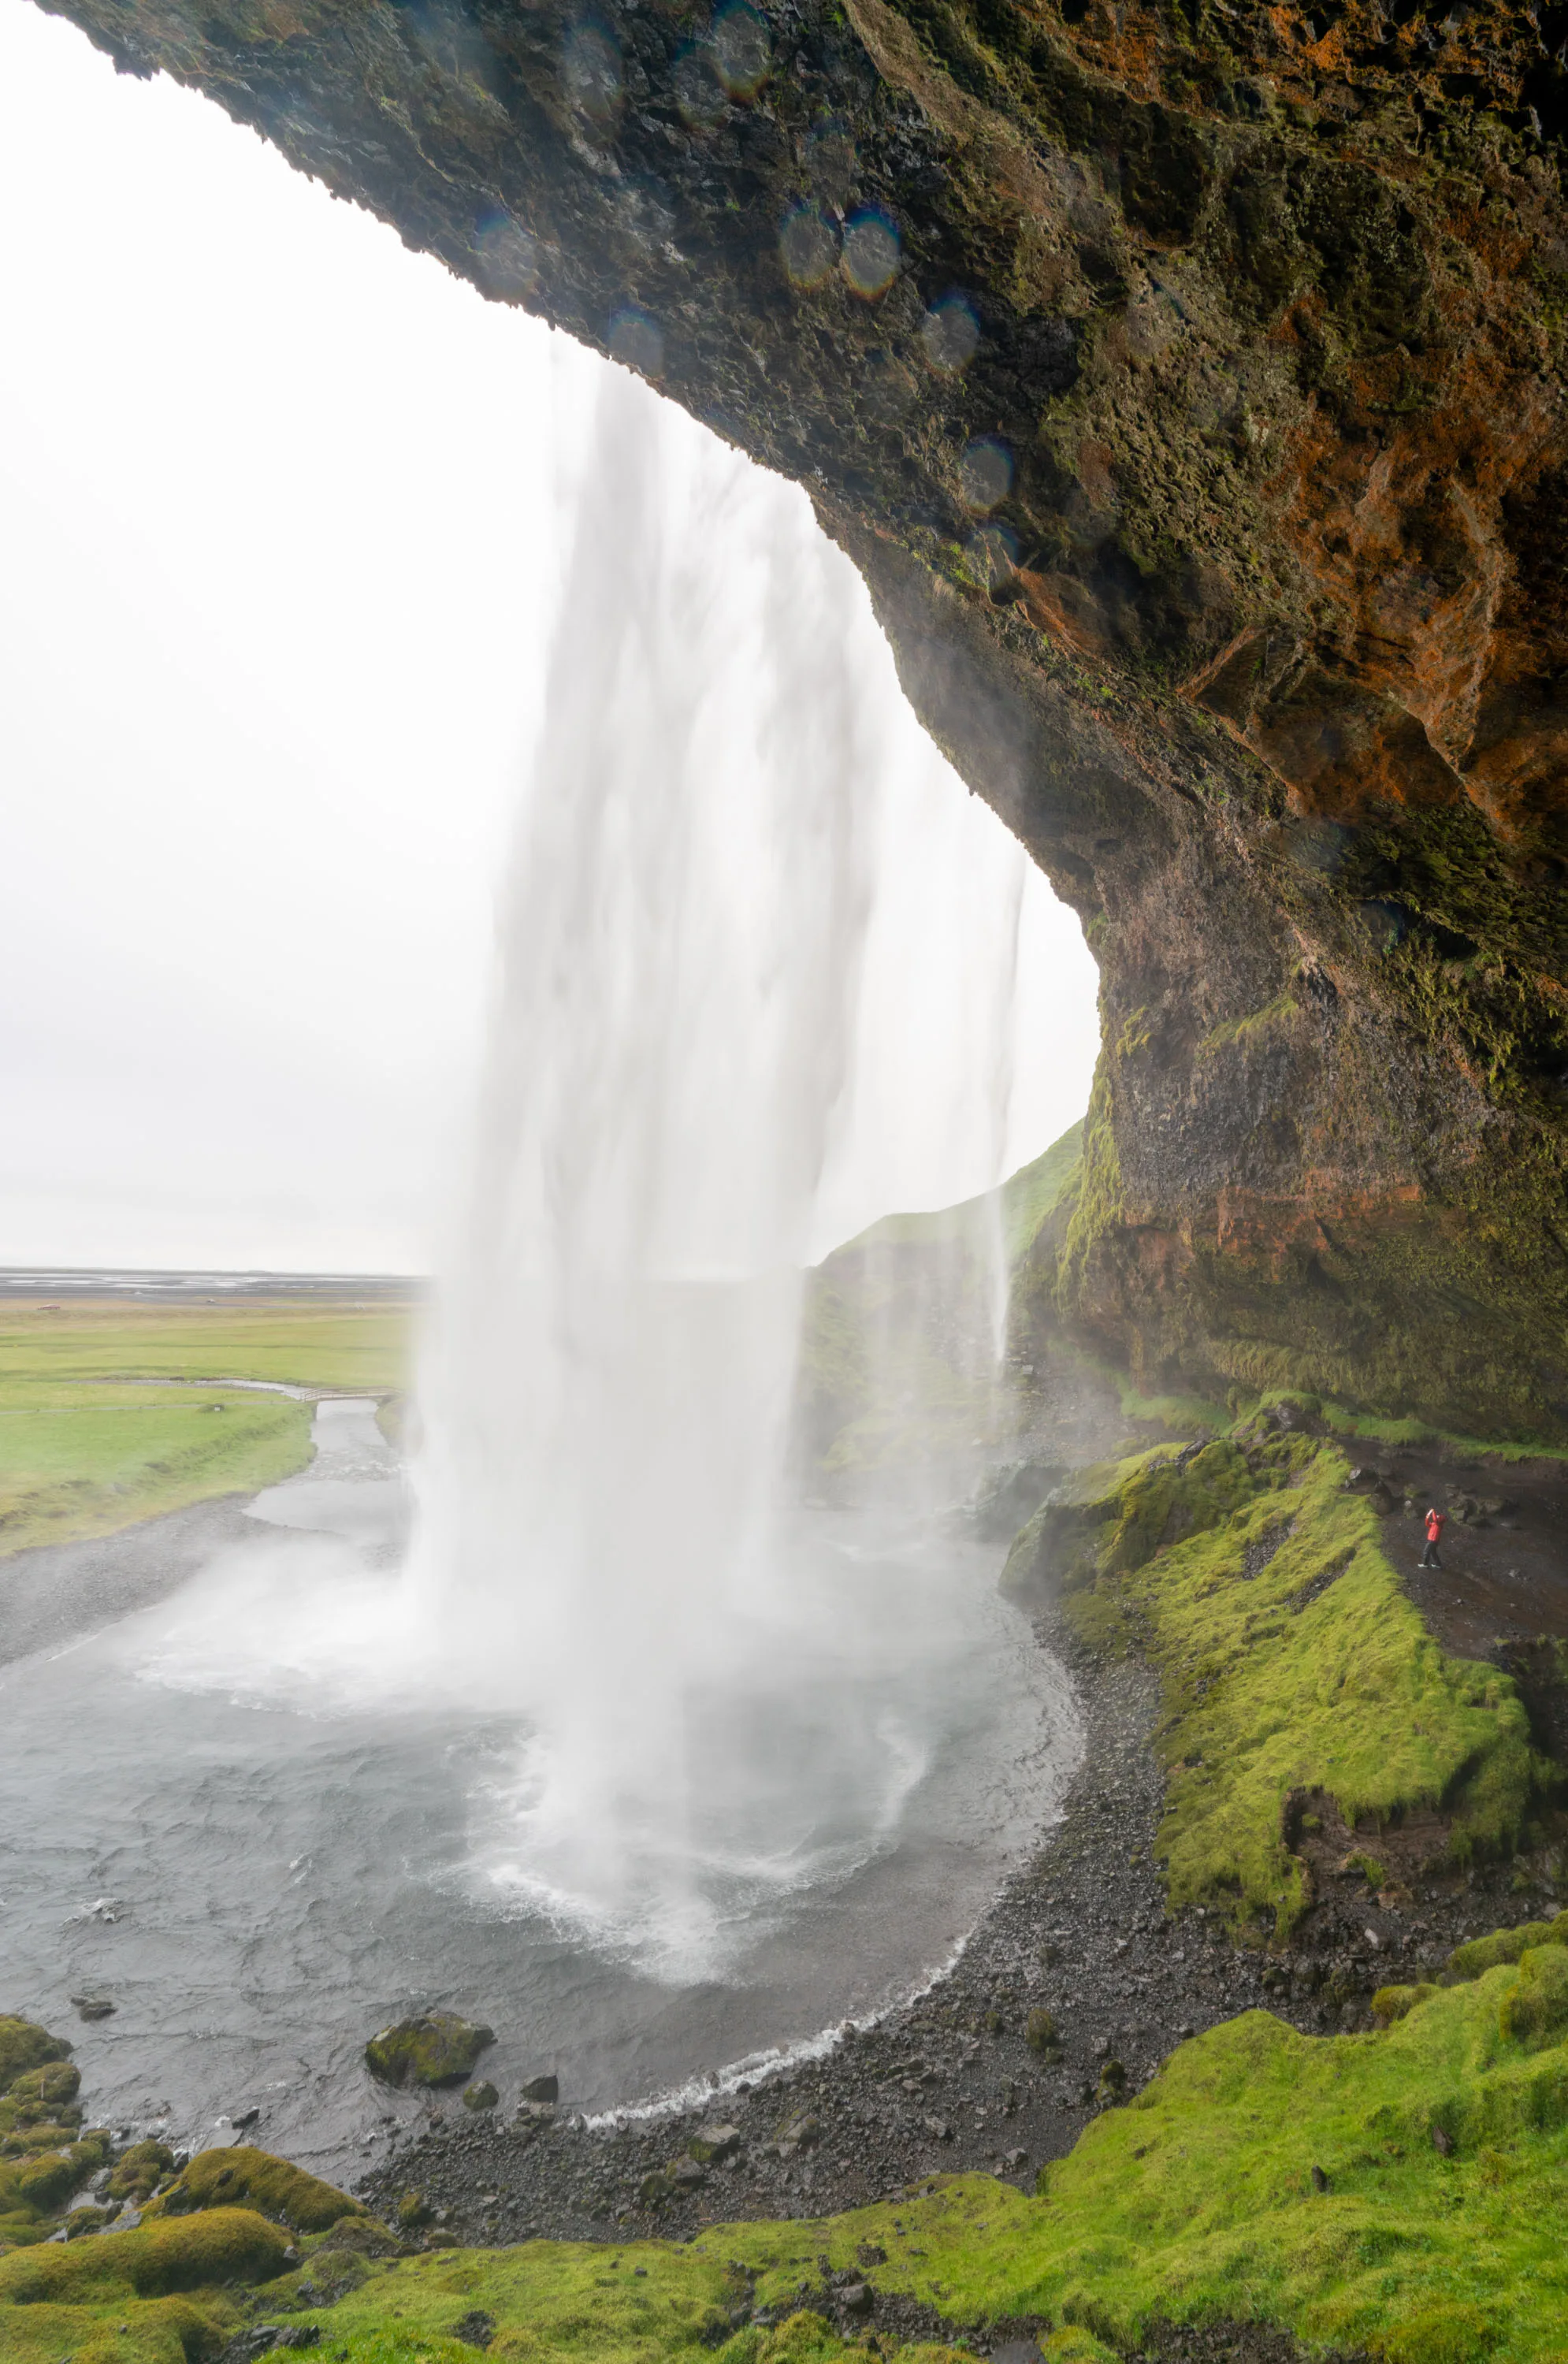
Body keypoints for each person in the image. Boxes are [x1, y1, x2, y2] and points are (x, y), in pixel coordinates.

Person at [1420, 1504, 1446, 1569]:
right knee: (1433, 1552)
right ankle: (1438, 1565)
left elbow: (1435, 1520)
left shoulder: (1439, 1524)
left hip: (1433, 1540)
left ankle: (1425, 1564)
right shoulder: (1435, 1524)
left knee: (1426, 1551)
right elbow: (1427, 1524)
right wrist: (1428, 1516)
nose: (1436, 1517)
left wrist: (1433, 1511)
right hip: (1433, 1540)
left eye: (1438, 1517)